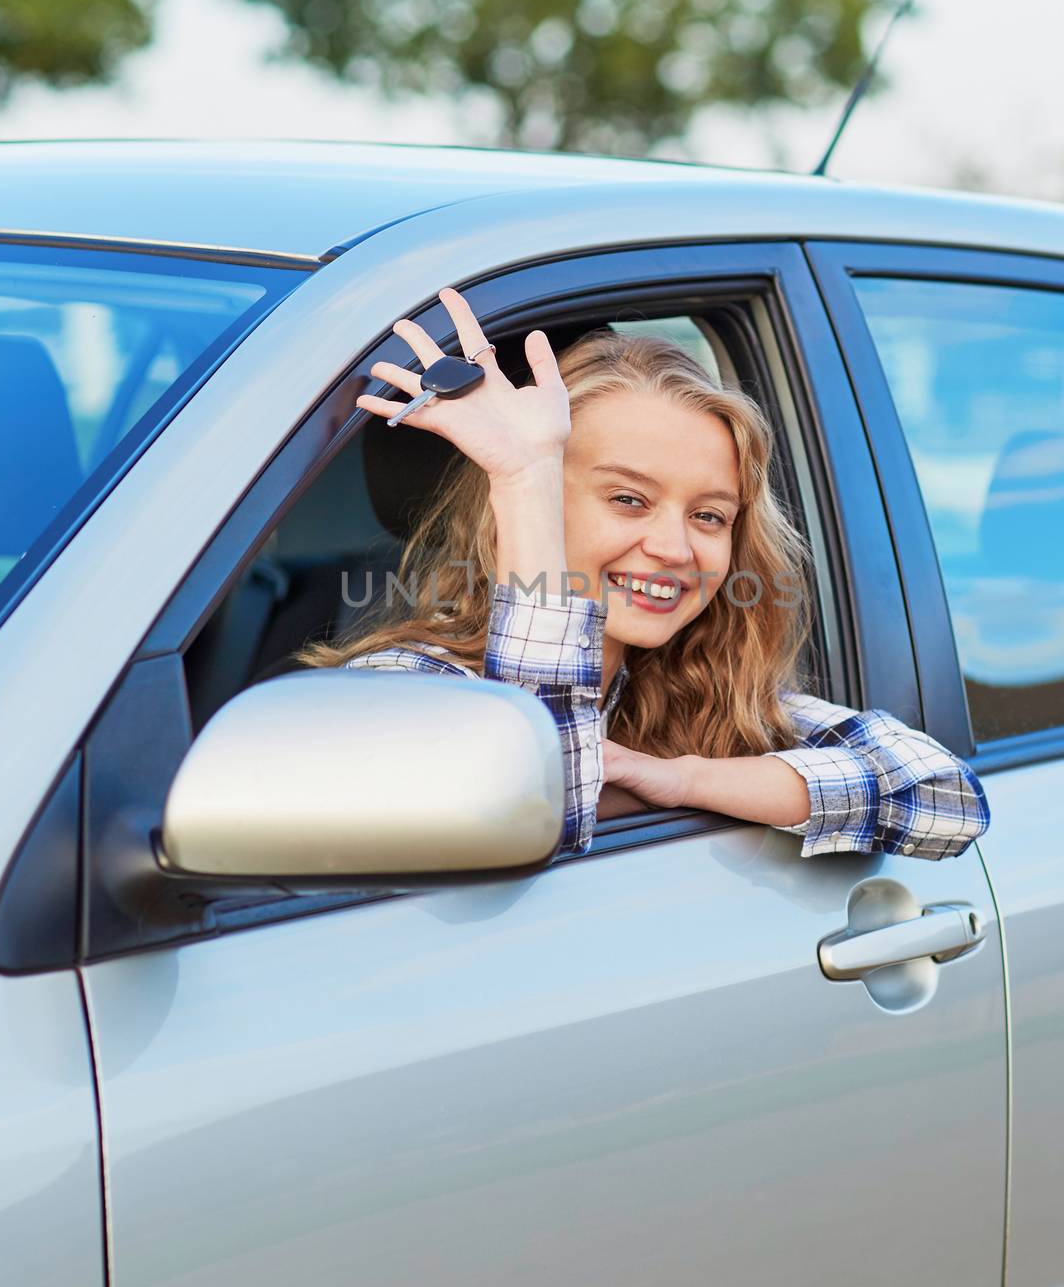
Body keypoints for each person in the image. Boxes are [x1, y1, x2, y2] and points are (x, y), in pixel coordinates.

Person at [299, 286, 989, 862]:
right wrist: (523, 475)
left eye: (710, 516)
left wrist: (677, 779)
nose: (673, 547)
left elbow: (943, 797)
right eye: (628, 499)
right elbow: (543, 805)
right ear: (533, 505)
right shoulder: (405, 688)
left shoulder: (687, 688)